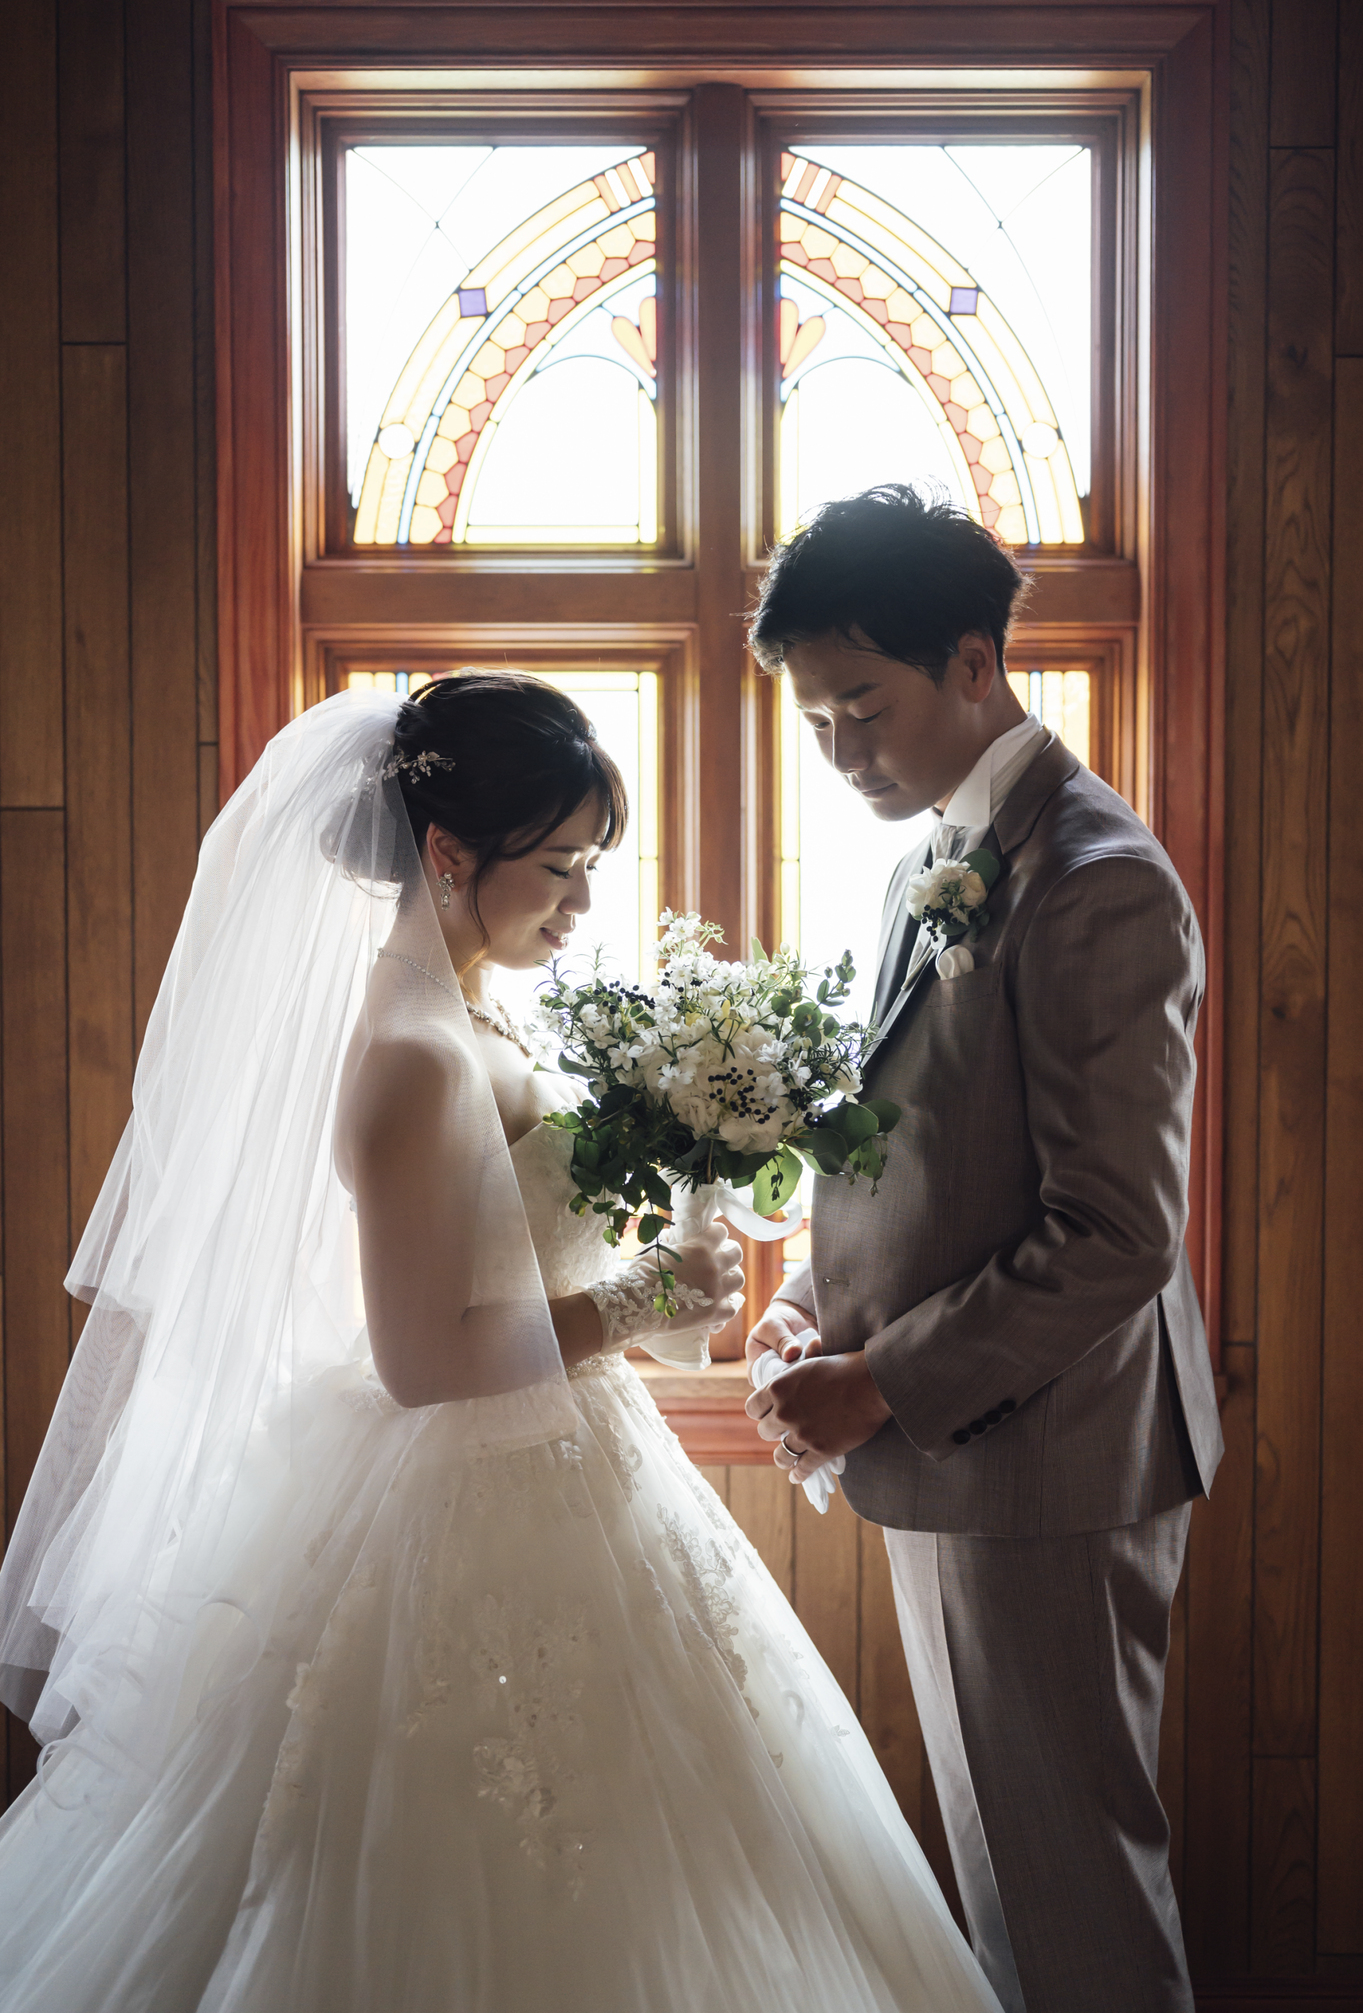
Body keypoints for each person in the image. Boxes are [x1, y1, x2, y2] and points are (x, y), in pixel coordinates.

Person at [0, 668, 1000, 2013]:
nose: (581, 904)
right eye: (559, 869)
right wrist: (640, 1301)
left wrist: (664, 1263)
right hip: (461, 1487)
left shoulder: (478, 1004)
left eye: (592, 866)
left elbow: (515, 1258)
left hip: (571, 1450)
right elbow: (421, 1361)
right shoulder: (412, 1052)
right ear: (448, 852)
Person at [744, 485, 1223, 2013]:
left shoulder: (1096, 878)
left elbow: (1115, 1232)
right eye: (816, 721)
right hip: (961, 1448)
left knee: (1073, 1894)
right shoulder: (932, 857)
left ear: (971, 661)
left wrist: (880, 1380)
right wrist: (810, 1304)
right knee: (1013, 1888)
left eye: (863, 708)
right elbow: (928, 1149)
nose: (842, 753)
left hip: (1048, 1465)